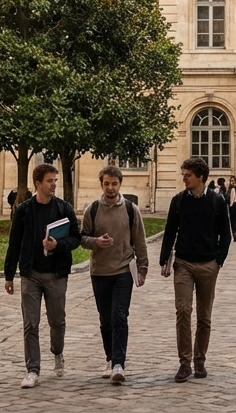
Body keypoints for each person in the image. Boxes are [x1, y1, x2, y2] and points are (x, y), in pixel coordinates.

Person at [3, 163, 82, 389]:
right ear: (38, 183)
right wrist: (9, 275)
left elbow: (76, 238)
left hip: (56, 273)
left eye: (55, 180)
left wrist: (58, 244)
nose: (54, 184)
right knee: (31, 323)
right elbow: (14, 243)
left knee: (57, 321)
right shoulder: (24, 210)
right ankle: (33, 369)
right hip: (31, 274)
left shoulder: (64, 209)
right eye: (50, 181)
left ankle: (57, 352)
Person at [159, 156, 232, 383]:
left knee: (204, 316)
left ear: (200, 177)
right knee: (183, 311)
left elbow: (226, 234)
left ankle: (200, 359)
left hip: (208, 264)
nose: (184, 179)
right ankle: (184, 362)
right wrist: (164, 260)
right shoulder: (178, 201)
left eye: (188, 175)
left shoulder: (216, 201)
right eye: (183, 174)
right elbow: (170, 231)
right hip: (184, 263)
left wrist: (217, 261)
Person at [80, 165, 148, 385]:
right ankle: (110, 358)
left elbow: (139, 240)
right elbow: (82, 239)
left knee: (119, 316)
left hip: (123, 270)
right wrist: (96, 242)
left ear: (120, 184)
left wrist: (143, 268)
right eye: (106, 183)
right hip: (99, 271)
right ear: (101, 184)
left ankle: (119, 363)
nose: (110, 188)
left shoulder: (131, 209)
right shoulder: (92, 210)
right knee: (105, 319)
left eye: (114, 184)